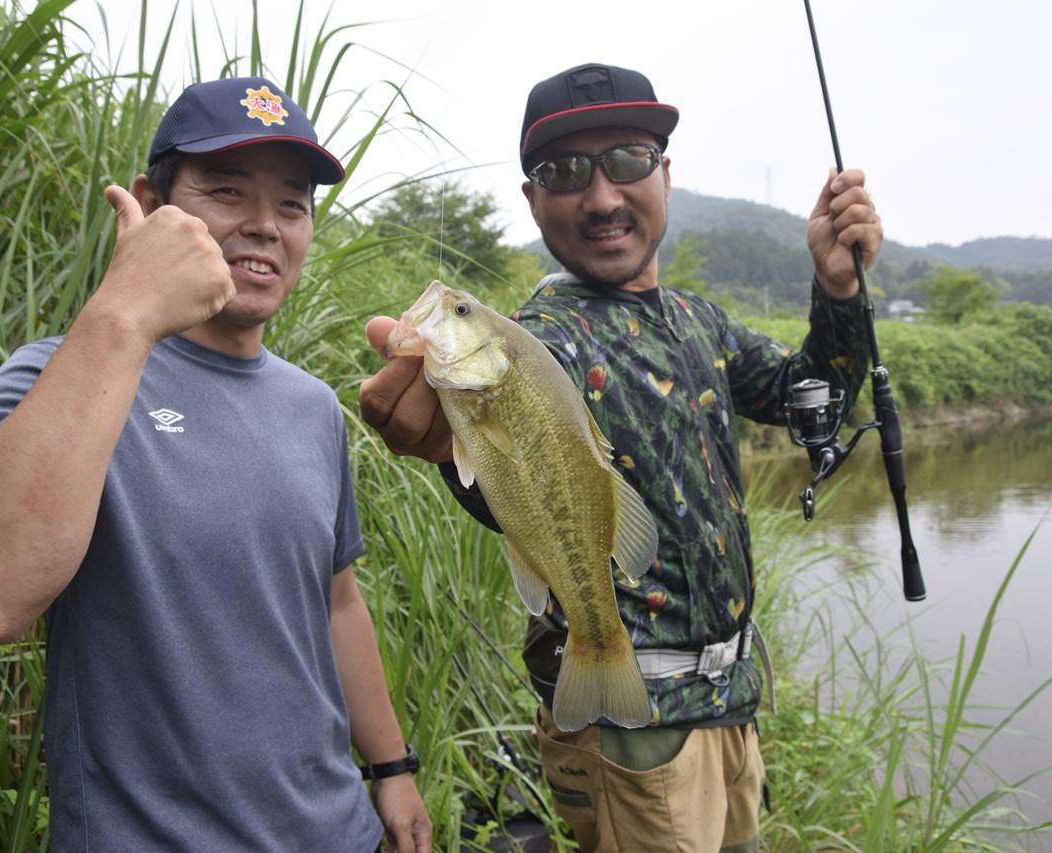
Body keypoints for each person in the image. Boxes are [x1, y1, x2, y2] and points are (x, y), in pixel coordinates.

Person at [358, 62, 881, 852]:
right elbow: (520, 486)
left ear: (666, 177)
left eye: (628, 161)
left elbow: (815, 404)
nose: (601, 197)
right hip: (636, 731)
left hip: (731, 703)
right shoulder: (542, 339)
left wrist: (838, 295)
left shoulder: (698, 320)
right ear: (532, 199)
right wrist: (446, 443)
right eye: (565, 172)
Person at [0, 77, 431, 853]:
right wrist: (126, 308)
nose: (264, 225)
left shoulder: (312, 409)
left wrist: (392, 765)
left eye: (292, 204)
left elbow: (336, 603)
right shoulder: (56, 379)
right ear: (151, 202)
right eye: (227, 191)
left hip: (337, 831)